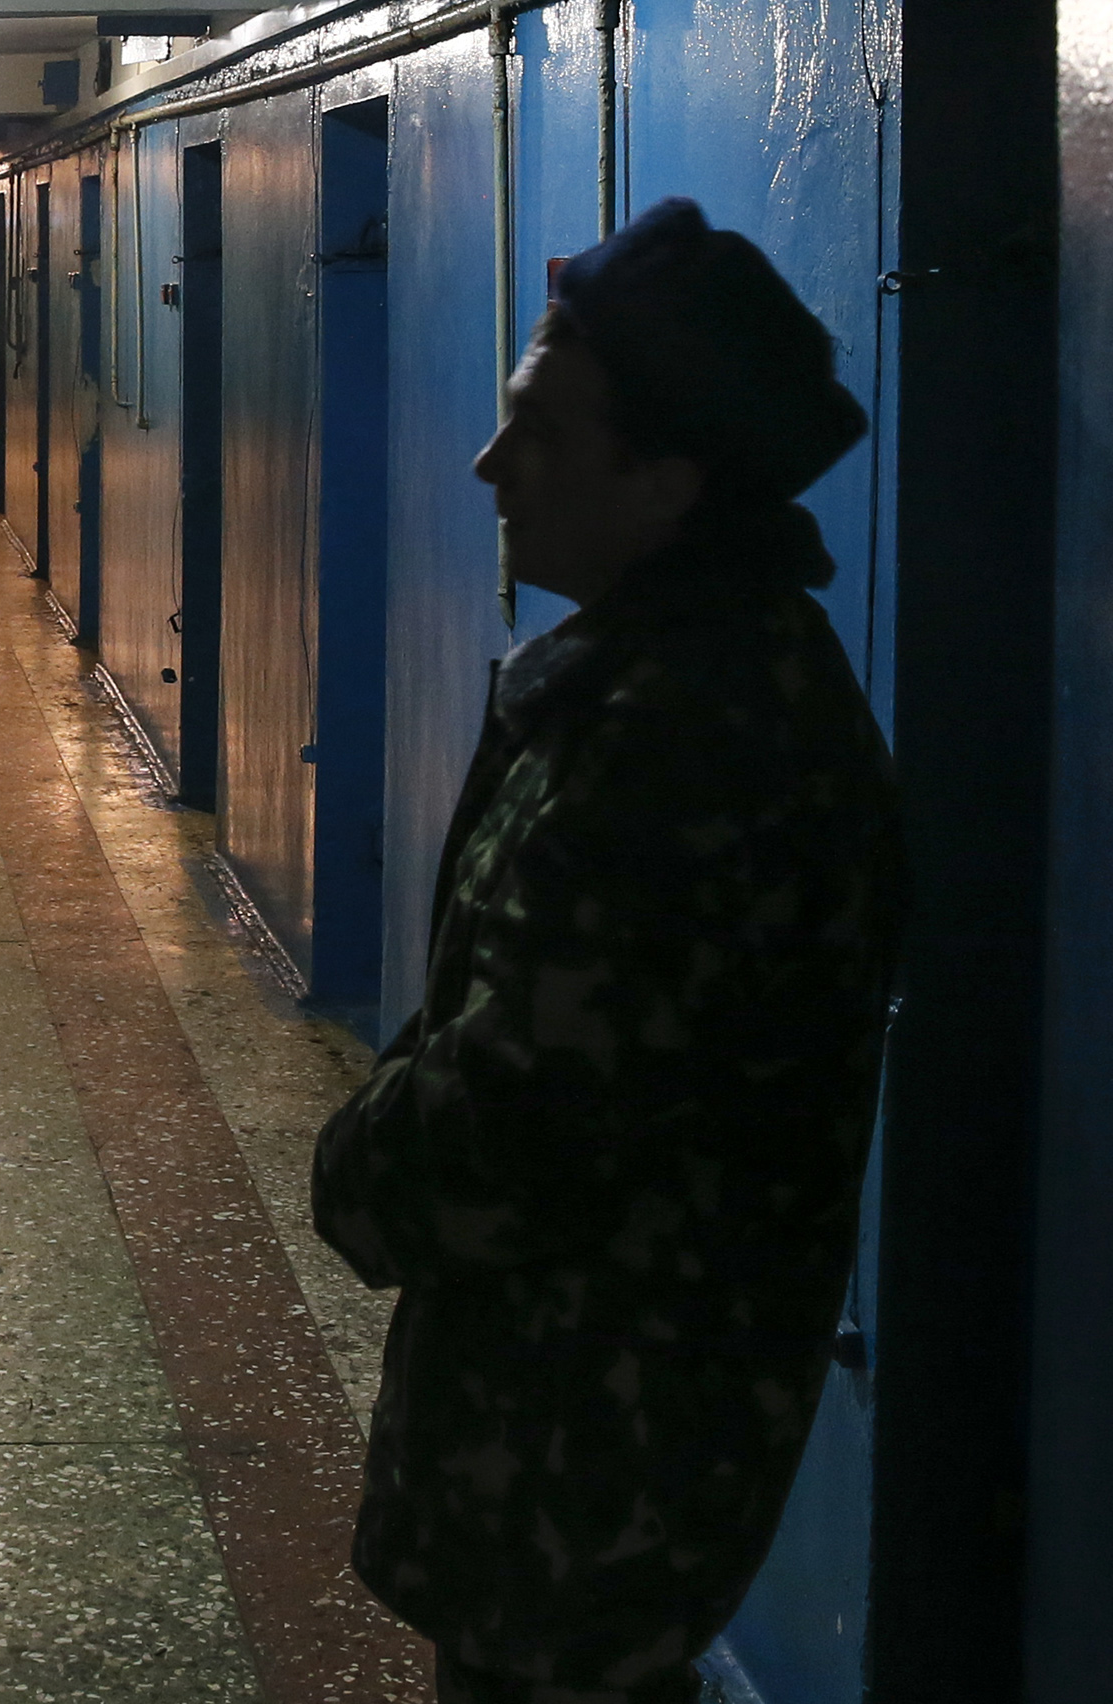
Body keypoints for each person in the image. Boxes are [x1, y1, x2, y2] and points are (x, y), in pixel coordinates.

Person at [312, 196, 905, 1704]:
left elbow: (518, 1115)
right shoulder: (681, 676)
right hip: (606, 1398)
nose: (491, 468)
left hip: (597, 1422)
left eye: (542, 438)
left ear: (668, 483)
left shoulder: (685, 746)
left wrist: (356, 1173)